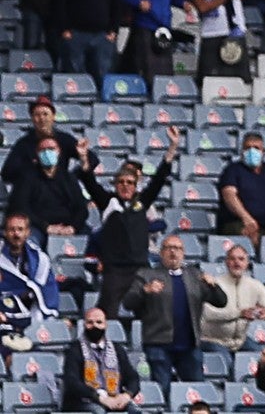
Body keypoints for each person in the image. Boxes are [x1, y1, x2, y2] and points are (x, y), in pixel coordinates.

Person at [77, 127, 178, 317]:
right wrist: (83, 159)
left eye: (130, 182)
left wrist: (172, 147)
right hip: (114, 270)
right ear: (115, 184)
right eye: (121, 181)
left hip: (141, 268)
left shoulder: (142, 202)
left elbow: (159, 179)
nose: (125, 185)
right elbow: (89, 182)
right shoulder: (108, 202)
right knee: (108, 312)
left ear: (136, 185)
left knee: (150, 311)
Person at [122, 234, 228, 397]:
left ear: (183, 253)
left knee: (196, 393)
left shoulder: (195, 276)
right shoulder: (146, 275)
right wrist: (145, 291)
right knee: (162, 392)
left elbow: (221, 302)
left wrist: (214, 286)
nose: (173, 252)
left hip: (190, 346)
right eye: (168, 248)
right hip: (158, 344)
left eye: (177, 248)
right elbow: (128, 303)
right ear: (161, 252)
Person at [199, 245, 265, 355]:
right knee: (226, 363)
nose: (237, 263)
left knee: (262, 358)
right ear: (226, 262)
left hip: (240, 342)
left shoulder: (255, 286)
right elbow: (207, 314)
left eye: (241, 259)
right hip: (212, 340)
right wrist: (239, 313)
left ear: (247, 263)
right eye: (232, 259)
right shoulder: (215, 284)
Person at [1, 96, 96, 189]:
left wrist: (71, 177)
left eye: (45, 114)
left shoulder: (64, 139)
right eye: (37, 115)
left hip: (60, 191)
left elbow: (93, 159)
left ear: (53, 117)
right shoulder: (24, 144)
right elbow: (7, 173)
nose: (42, 119)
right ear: (32, 119)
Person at [8, 137, 90, 242]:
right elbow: (21, 207)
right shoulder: (26, 178)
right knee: (30, 241)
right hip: (38, 227)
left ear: (58, 151)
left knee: (92, 240)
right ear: (37, 153)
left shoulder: (69, 178)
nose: (47, 152)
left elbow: (81, 209)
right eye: (43, 149)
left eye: (51, 149)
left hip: (69, 226)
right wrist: (46, 227)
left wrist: (73, 227)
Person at [62, 308, 143, 413]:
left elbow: (132, 377)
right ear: (84, 325)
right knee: (98, 411)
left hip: (113, 397)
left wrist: (127, 395)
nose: (94, 326)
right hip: (83, 400)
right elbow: (72, 382)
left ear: (105, 325)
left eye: (99, 322)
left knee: (134, 411)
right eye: (90, 322)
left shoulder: (117, 349)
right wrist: (98, 397)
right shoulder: (74, 349)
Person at [0, 212, 60, 319]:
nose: (16, 234)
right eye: (12, 229)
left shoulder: (40, 259)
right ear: (5, 232)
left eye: (20, 229)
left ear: (28, 232)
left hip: (30, 308)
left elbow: (46, 288)